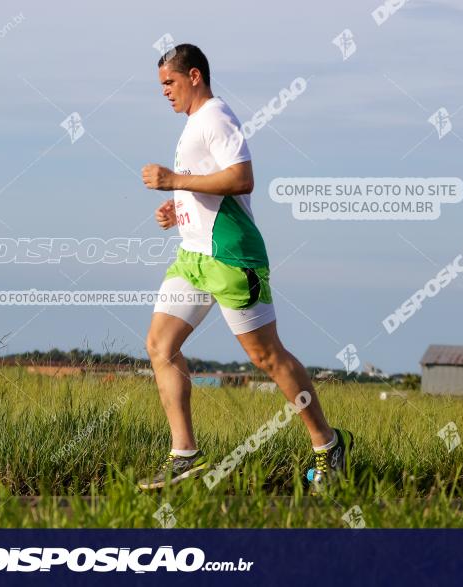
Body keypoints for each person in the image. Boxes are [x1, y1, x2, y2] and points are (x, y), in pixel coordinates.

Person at [138, 44, 352, 491]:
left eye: (169, 83)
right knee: (160, 346)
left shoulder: (216, 117)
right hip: (192, 258)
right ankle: (184, 455)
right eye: (161, 86)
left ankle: (328, 444)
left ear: (194, 76)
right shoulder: (194, 124)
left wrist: (174, 181)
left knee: (267, 357)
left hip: (233, 257)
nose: (164, 93)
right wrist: (176, 210)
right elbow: (212, 192)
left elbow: (242, 178)